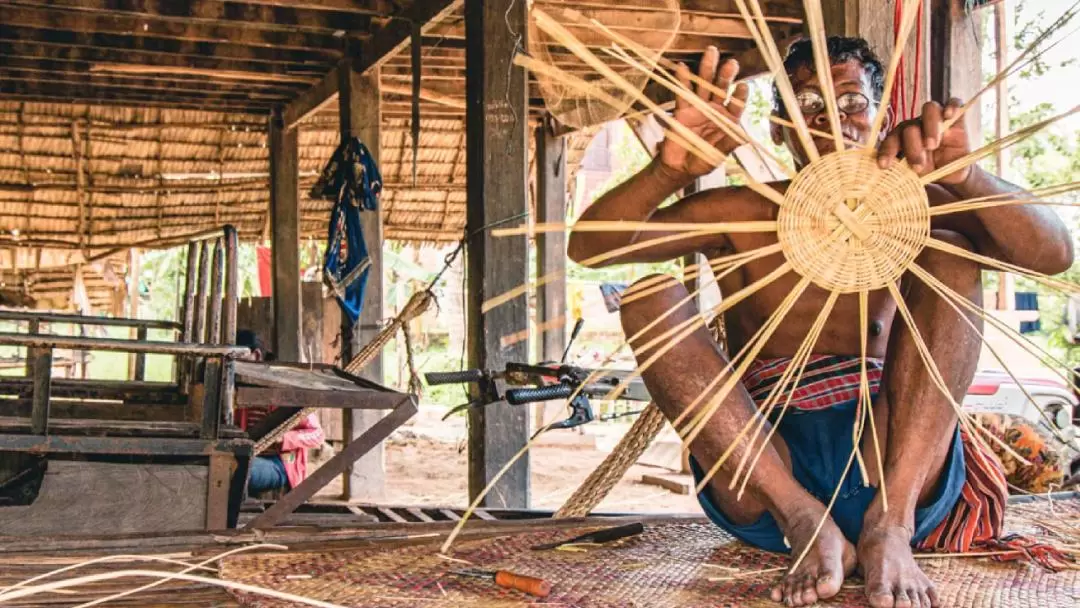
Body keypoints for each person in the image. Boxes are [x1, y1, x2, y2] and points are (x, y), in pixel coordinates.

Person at [567, 38, 1073, 608]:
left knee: (953, 252)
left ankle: (891, 527)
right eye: (807, 104)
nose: (831, 119)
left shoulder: (923, 203)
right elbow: (591, 250)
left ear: (881, 117)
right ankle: (804, 518)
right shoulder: (746, 213)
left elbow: (1054, 255)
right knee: (648, 296)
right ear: (779, 128)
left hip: (895, 458)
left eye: (852, 102)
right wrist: (668, 170)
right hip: (760, 465)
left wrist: (968, 176)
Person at [235, 330, 325, 496]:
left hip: (280, 464)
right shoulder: (236, 388)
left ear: (256, 355)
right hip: (249, 456)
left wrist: (284, 438)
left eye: (237, 357)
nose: (233, 364)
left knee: (235, 469)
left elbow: (317, 434)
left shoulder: (285, 388)